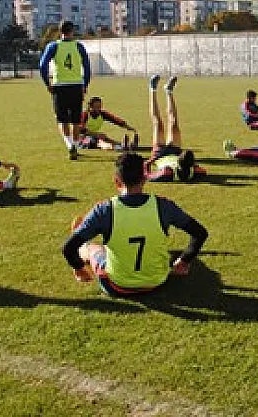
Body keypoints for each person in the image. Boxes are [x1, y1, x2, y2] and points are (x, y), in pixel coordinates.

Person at [62, 152, 208, 297]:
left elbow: (68, 248)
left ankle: (83, 244)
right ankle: (84, 236)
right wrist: (184, 261)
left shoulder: (104, 210)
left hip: (116, 285)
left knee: (94, 248)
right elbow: (200, 233)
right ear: (144, 179)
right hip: (157, 281)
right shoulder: (164, 206)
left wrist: (79, 269)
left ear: (117, 181)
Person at [39, 20, 91, 160]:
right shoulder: (79, 46)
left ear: (60, 31)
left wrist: (47, 83)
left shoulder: (53, 46)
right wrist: (85, 84)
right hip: (76, 86)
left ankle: (69, 145)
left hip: (60, 87)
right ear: (72, 31)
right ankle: (75, 145)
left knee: (62, 119)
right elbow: (87, 67)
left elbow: (42, 65)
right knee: (76, 120)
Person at [144, 75, 206, 182]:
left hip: (159, 155)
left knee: (158, 123)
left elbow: (147, 174)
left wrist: (150, 161)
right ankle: (169, 91)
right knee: (174, 123)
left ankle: (152, 89)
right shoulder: (196, 171)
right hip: (176, 151)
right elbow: (203, 171)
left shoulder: (167, 172)